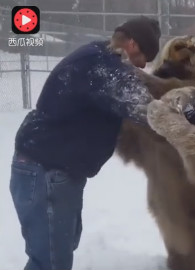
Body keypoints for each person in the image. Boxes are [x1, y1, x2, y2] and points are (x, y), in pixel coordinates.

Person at [9, 16, 161, 270]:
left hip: (50, 169)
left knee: (56, 253)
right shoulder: (103, 67)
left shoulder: (98, 55)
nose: (143, 66)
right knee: (50, 262)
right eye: (144, 58)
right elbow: (149, 110)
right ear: (133, 44)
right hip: (45, 171)